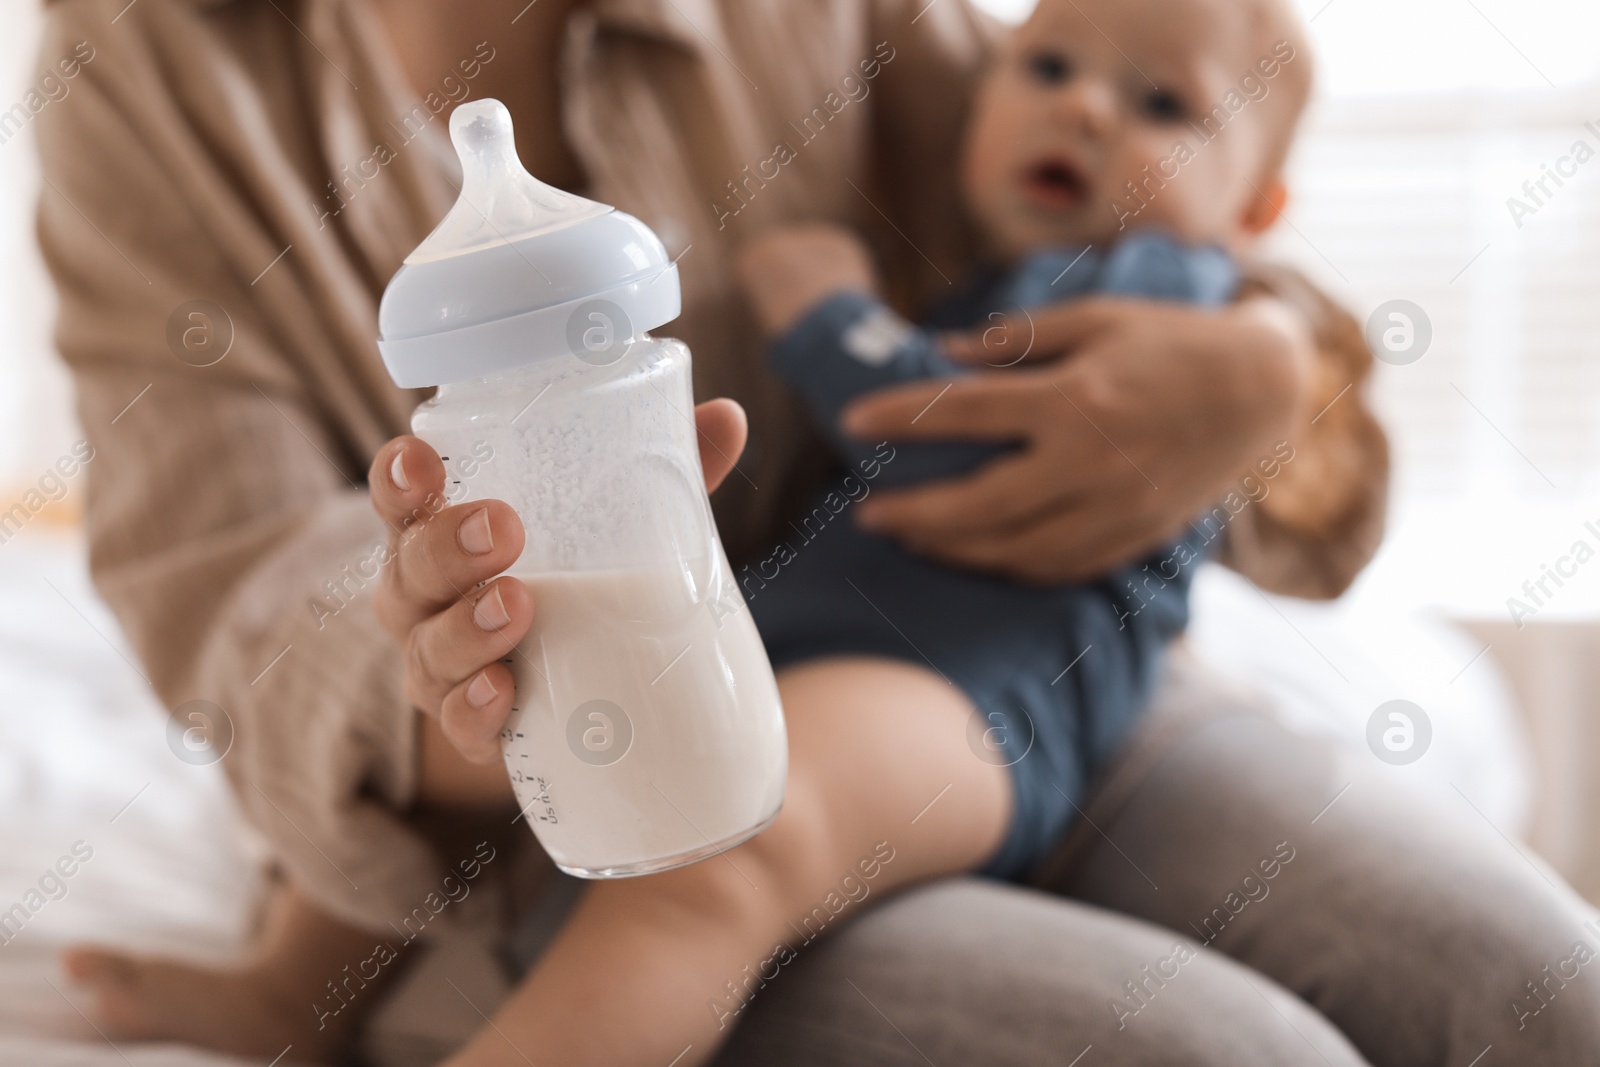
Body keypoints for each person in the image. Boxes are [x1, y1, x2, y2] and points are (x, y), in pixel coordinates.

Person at [36, 0, 1600, 1063]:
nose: (1077, 108)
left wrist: (1267, 371)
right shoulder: (155, 68)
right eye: (1057, 78)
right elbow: (244, 601)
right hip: (673, 745)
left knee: (1537, 989)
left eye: (1148, 104)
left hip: (1068, 683)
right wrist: (466, 662)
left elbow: (1104, 159)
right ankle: (311, 990)